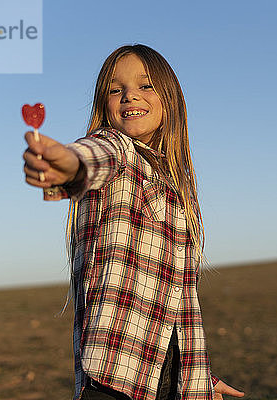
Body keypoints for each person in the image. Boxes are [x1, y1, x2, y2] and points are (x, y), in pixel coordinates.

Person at [22, 44, 245, 400]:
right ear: (104, 105)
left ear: (170, 98)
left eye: (145, 85)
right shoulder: (117, 149)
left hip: (168, 381)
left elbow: (173, 306)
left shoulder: (177, 185)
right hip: (115, 381)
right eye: (115, 89)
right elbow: (92, 157)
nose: (129, 96)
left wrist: (198, 378)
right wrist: (67, 162)